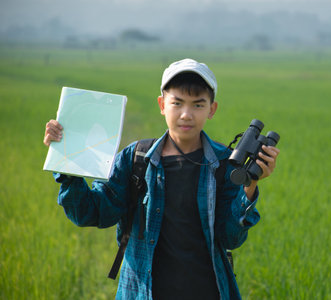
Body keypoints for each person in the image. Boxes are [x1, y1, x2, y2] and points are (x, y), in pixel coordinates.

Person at [43, 58, 280, 299]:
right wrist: (65, 159)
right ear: (162, 104)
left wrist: (250, 185)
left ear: (212, 109)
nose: (186, 114)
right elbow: (92, 212)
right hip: (143, 291)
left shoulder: (225, 164)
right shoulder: (135, 159)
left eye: (198, 105)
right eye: (177, 103)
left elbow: (231, 237)